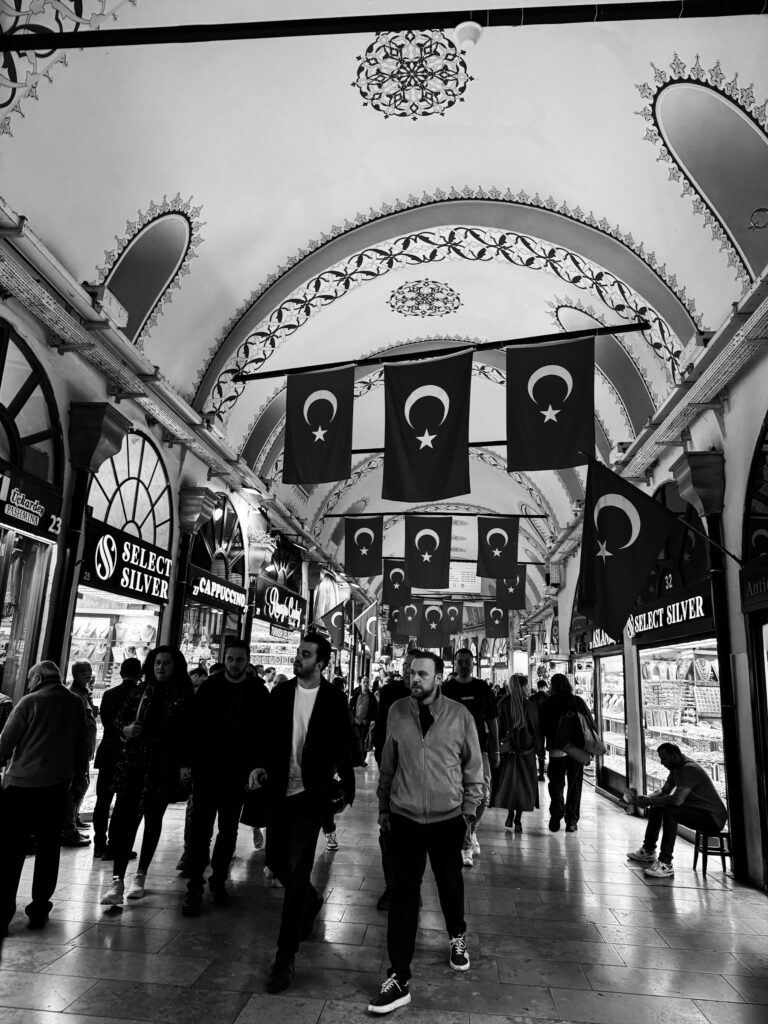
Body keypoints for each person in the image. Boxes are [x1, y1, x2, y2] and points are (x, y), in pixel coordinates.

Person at [369, 651, 482, 1015]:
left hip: (447, 818)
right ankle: (398, 976)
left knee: (450, 882)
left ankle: (457, 937)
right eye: (409, 672)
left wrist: (468, 814)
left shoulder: (459, 716)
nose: (413, 678)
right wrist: (384, 805)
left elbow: (473, 768)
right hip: (404, 818)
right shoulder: (397, 711)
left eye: (421, 673)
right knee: (403, 893)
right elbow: (388, 761)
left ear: (438, 677)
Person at [252, 632, 355, 994]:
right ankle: (311, 900)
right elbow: (264, 735)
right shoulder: (280, 694)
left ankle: (285, 956)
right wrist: (258, 765)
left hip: (311, 795)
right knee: (278, 863)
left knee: (297, 870)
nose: (298, 659)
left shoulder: (333, 698)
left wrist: (347, 783)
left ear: (321, 663)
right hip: (280, 790)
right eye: (298, 653)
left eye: (306, 654)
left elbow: (345, 742)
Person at [0, 661, 89, 934]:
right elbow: (81, 744)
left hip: (21, 786)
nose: (29, 685)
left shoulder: (30, 702)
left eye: (30, 680)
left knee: (11, 851)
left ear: (37, 678)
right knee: (49, 848)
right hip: (57, 786)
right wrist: (79, 779)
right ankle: (39, 908)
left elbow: (5, 743)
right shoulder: (75, 703)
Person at [100, 647, 193, 906]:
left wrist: (185, 765)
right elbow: (118, 720)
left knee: (153, 820)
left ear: (175, 667)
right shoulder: (140, 691)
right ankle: (117, 879)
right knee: (125, 822)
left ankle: (141, 874)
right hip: (134, 765)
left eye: (166, 663)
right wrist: (126, 730)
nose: (161, 667)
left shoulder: (183, 696)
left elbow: (188, 734)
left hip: (162, 768)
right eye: (157, 663)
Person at [182, 640, 269, 915]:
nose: (233, 664)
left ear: (247, 660)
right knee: (200, 832)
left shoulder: (257, 690)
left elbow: (262, 733)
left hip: (237, 775)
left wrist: (256, 768)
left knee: (228, 831)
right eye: (230, 658)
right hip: (207, 771)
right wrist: (187, 763)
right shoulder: (211, 687)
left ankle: (218, 880)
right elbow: (193, 726)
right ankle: (195, 887)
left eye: (239, 659)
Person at [627, 743, 728, 878]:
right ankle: (648, 850)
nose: (662, 763)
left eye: (664, 759)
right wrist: (646, 798)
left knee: (670, 811)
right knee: (658, 806)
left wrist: (650, 801)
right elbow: (663, 791)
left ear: (675, 756)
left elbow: (677, 800)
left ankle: (665, 863)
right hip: (697, 811)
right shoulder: (675, 768)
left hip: (712, 818)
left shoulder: (689, 769)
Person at [441, 648, 500, 866]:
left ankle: (472, 829)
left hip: (480, 749)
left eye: (468, 662)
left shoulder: (482, 688)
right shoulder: (446, 689)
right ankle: (465, 846)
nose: (464, 665)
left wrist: (495, 750)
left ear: (473, 664)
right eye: (460, 662)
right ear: (454, 664)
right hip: (453, 751)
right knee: (461, 797)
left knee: (483, 796)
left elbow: (493, 720)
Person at [372, 649, 413, 912]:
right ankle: (391, 886)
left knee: (414, 840)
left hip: (423, 781)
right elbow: (381, 732)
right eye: (407, 666)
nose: (410, 671)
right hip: (394, 772)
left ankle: (411, 888)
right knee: (388, 833)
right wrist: (382, 763)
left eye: (416, 667)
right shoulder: (390, 693)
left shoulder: (433, 696)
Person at [92, 658, 142, 858]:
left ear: (121, 673)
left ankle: (98, 844)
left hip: (108, 751)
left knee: (102, 800)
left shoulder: (109, 694)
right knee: (123, 802)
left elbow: (105, 721)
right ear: (140, 674)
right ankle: (115, 844)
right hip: (128, 754)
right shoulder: (139, 696)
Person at [539, 673, 595, 833]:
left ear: (553, 686)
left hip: (557, 751)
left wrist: (541, 748)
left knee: (556, 782)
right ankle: (571, 821)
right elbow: (590, 724)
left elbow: (541, 728)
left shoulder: (548, 703)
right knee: (575, 785)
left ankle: (557, 808)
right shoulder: (577, 701)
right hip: (577, 752)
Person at [492, 675, 539, 832]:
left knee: (510, 785)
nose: (528, 689)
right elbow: (536, 730)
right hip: (527, 753)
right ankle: (518, 819)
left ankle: (510, 814)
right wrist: (539, 750)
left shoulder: (503, 704)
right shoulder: (529, 706)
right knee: (524, 786)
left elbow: (496, 727)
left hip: (509, 752)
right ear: (523, 687)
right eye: (526, 686)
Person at [61, 659, 98, 847]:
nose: (88, 673)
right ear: (74, 673)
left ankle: (74, 819)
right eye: (83, 671)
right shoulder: (72, 693)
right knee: (76, 786)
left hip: (86, 749)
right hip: (77, 750)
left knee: (82, 784)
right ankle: (68, 829)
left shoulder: (84, 691)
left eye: (89, 670)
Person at [350, 676, 376, 763]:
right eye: (364, 682)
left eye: (367, 682)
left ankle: (362, 760)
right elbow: (350, 706)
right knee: (355, 741)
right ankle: (355, 759)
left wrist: (373, 720)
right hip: (356, 721)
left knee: (363, 741)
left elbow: (374, 710)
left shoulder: (371, 696)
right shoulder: (356, 694)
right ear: (360, 683)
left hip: (365, 722)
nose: (366, 684)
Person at [528, 678, 549, 779]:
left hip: (533, 727)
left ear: (538, 686)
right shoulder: (548, 698)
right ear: (545, 687)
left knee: (532, 749)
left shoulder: (532, 698)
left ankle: (532, 772)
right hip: (545, 727)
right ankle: (541, 774)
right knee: (541, 751)